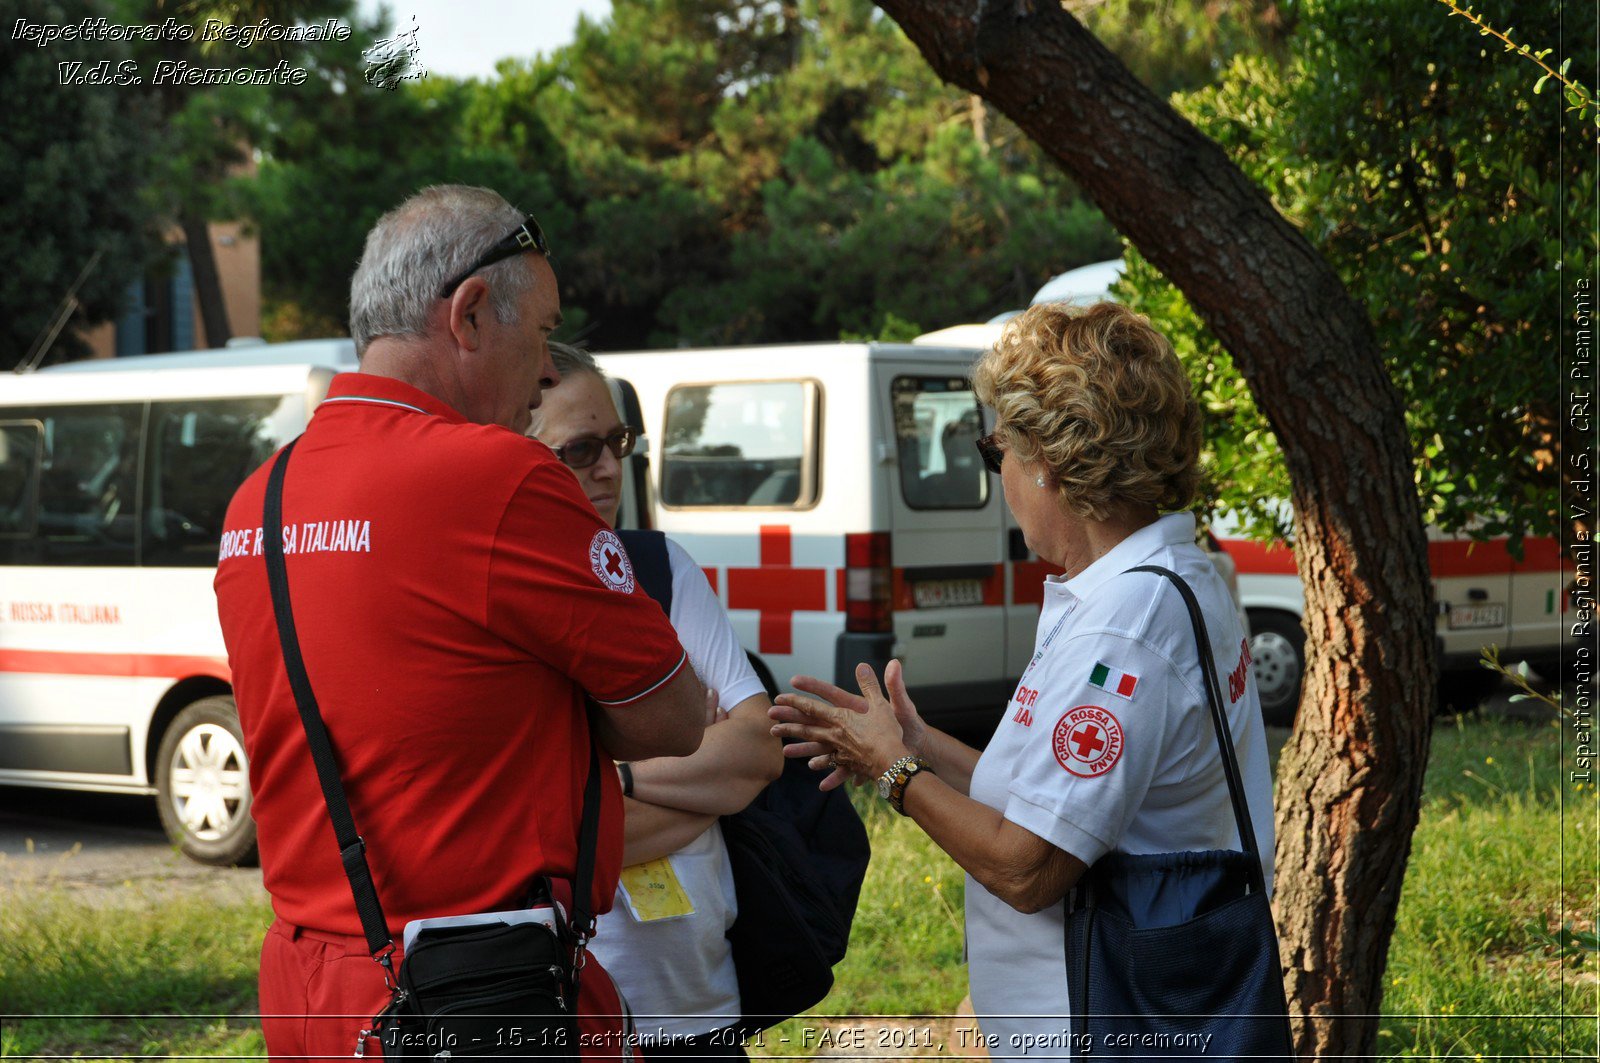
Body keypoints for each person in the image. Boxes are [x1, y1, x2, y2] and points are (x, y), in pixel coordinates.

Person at [213, 185, 709, 1059]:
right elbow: (674, 718)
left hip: (309, 985)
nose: (551, 370)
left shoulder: (258, 499)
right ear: (472, 314)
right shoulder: (499, 476)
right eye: (544, 331)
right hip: (478, 985)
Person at [769, 301, 1275, 1058]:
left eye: (993, 448)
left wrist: (895, 770)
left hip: (1096, 1025)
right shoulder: (1171, 576)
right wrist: (922, 743)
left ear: (1049, 457)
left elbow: (1028, 865)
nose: (999, 472)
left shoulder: (1124, 621)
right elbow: (1060, 803)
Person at [529, 343, 783, 1058]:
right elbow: (544, 839)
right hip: (570, 1007)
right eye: (580, 449)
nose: (610, 466)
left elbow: (760, 752)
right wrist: (706, 782)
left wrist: (614, 781)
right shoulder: (505, 597)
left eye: (616, 441)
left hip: (697, 1001)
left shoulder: (659, 567)